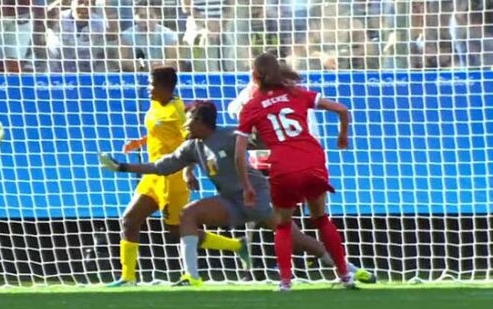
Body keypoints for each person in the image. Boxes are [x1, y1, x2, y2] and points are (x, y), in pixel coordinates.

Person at [101, 100, 332, 287]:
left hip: (257, 198)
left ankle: (347, 268)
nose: (186, 126)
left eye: (189, 120)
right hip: (231, 201)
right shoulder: (192, 146)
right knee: (188, 214)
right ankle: (192, 277)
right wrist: (122, 167)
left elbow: (266, 140)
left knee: (298, 240)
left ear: (201, 121)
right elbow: (162, 166)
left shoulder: (232, 136)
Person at [228, 70, 376, 284]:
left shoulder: (275, 98)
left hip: (282, 163)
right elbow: (234, 110)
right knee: (279, 219)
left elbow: (237, 125)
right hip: (285, 162)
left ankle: (292, 274)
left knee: (285, 222)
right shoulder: (289, 95)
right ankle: (258, 269)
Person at [108, 67, 245, 287]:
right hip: (153, 176)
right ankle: (127, 278)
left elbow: (191, 141)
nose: (148, 90)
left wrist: (187, 171)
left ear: (165, 87)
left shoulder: (178, 110)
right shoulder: (155, 104)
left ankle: (237, 246)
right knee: (130, 220)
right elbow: (159, 131)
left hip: (172, 177)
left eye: (152, 85)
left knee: (175, 230)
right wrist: (140, 142)